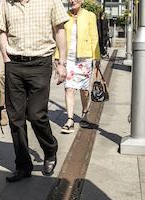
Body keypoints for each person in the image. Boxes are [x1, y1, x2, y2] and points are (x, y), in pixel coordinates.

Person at [0, 0, 69, 182]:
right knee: (15, 118)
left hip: (40, 63)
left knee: (36, 114)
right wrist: (5, 56)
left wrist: (62, 63)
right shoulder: (6, 3)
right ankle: (22, 165)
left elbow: (59, 30)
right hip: (14, 64)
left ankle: (50, 150)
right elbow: (1, 32)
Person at [57, 0, 100, 133]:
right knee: (69, 88)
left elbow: (94, 37)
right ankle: (70, 119)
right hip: (68, 58)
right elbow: (58, 36)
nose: (72, 1)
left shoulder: (90, 15)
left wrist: (96, 58)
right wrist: (58, 57)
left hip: (85, 58)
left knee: (84, 90)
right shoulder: (64, 16)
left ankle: (85, 113)